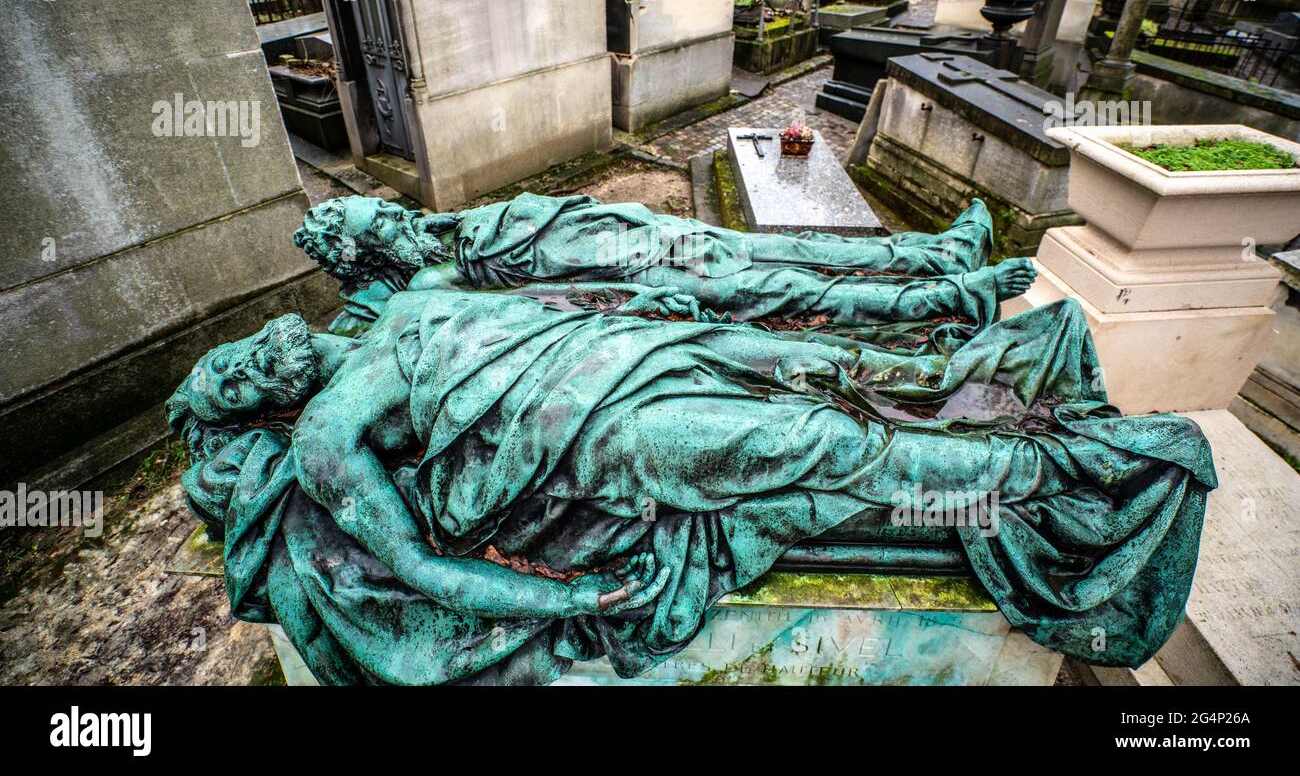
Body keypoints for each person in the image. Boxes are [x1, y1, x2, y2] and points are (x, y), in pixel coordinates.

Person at [170, 284, 1214, 685]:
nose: (258, 351)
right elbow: (420, 568)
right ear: (248, 414)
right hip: (606, 439)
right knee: (822, 452)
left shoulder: (380, 315)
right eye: (235, 378)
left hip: (629, 352)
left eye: (242, 345)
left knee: (820, 376)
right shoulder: (323, 437)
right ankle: (1070, 474)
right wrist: (566, 598)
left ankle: (1018, 401)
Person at [292, 193, 1036, 336]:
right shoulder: (418, 289)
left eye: (386, 208)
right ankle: (950, 298)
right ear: (368, 255)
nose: (400, 217)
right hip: (637, 278)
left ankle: (934, 252)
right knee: (781, 288)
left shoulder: (437, 232)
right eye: (383, 223)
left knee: (782, 246)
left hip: (637, 235)